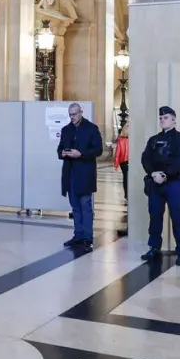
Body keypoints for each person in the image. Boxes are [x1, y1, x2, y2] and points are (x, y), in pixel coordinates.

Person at [140, 106, 180, 265]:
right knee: (155, 216)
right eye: (161, 118)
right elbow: (145, 159)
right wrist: (153, 174)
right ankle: (154, 247)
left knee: (177, 217)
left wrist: (165, 175)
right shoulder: (153, 140)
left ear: (174, 120)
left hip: (173, 183)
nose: (162, 120)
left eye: (166, 117)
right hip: (155, 183)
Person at [56, 103, 102, 254]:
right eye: (70, 115)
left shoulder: (91, 128)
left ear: (81, 113)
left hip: (85, 173)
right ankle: (78, 236)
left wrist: (80, 154)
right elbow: (60, 148)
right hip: (70, 174)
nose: (72, 117)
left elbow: (98, 150)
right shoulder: (66, 130)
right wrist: (62, 153)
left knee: (85, 207)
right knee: (75, 207)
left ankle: (87, 238)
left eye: (75, 114)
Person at [112, 124, 130, 237]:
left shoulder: (121, 140)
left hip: (124, 162)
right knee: (127, 178)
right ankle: (127, 194)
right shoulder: (130, 140)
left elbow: (118, 153)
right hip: (129, 161)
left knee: (125, 178)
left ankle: (127, 195)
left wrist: (116, 164)